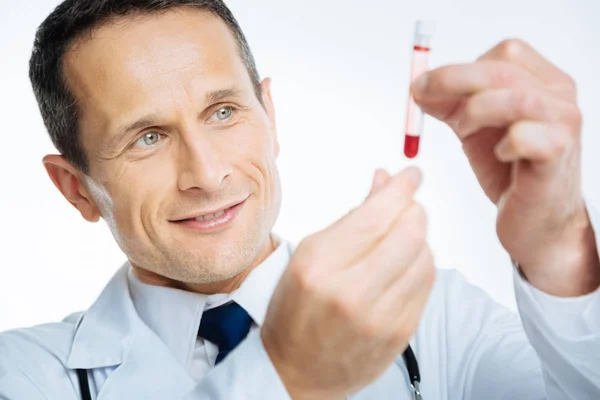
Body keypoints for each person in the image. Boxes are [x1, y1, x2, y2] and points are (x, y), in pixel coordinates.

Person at [1, 0, 599, 398]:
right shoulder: (25, 374)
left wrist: (559, 245)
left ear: (271, 115)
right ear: (76, 188)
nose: (206, 174)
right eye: (148, 137)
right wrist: (287, 373)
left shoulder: (434, 318)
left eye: (224, 111)